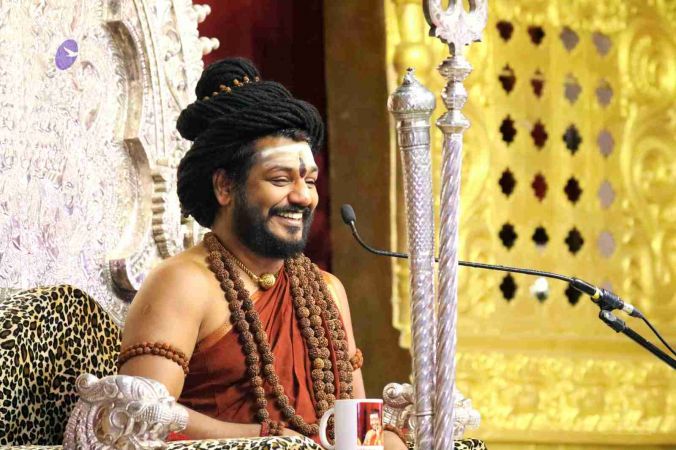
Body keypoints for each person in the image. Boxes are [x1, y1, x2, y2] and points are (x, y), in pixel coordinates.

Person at [117, 58, 406, 450]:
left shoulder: (327, 290)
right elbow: (140, 416)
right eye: (280, 179)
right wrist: (269, 441)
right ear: (224, 187)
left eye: (309, 181)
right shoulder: (184, 283)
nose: (303, 197)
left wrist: (384, 438)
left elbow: (354, 428)